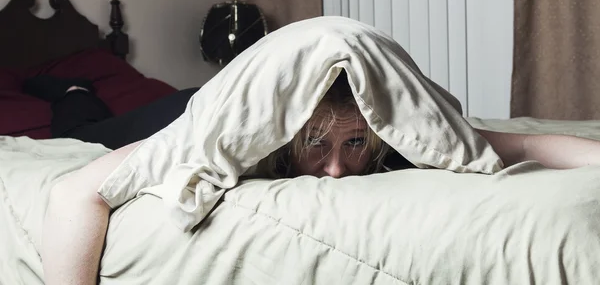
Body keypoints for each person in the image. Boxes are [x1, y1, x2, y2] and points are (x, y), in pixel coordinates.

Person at [41, 72, 600, 285]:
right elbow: (76, 192)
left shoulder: (390, 134)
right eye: (317, 146)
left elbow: (522, 144)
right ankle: (70, 89)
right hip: (183, 108)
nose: (337, 171)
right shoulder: (223, 136)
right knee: (91, 128)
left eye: (355, 144)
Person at [22, 75, 198, 150]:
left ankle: (78, 91)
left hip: (196, 107)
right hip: (194, 107)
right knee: (75, 141)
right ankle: (76, 90)